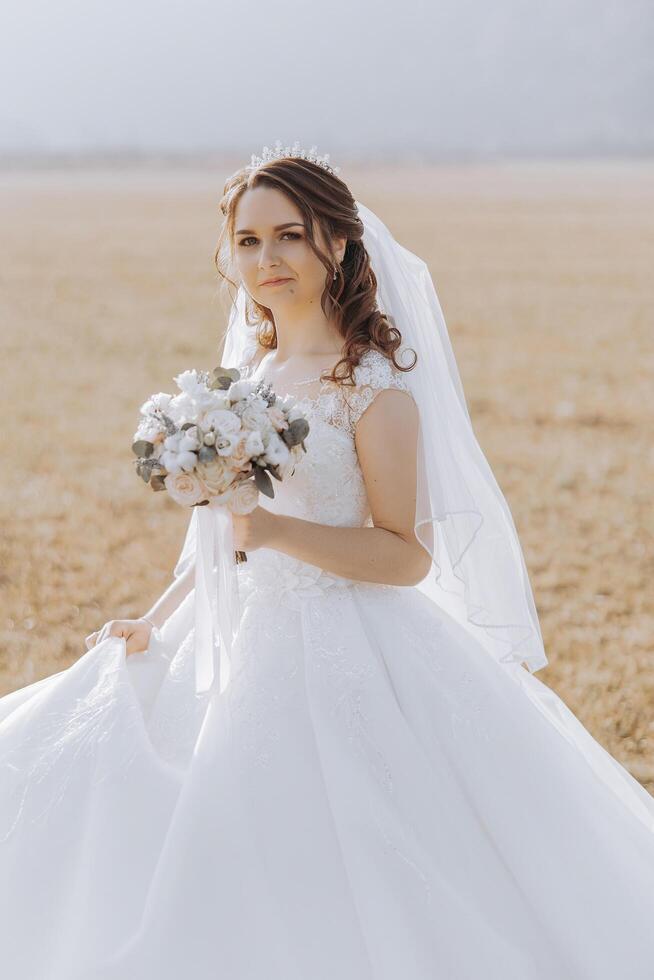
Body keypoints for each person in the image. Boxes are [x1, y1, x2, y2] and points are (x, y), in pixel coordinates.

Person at [1, 143, 653, 980]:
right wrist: (154, 619)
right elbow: (219, 534)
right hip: (233, 628)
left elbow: (402, 555)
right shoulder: (249, 374)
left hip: (352, 642)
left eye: (288, 237)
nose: (266, 261)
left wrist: (274, 534)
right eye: (247, 242)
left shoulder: (370, 386)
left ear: (336, 245)